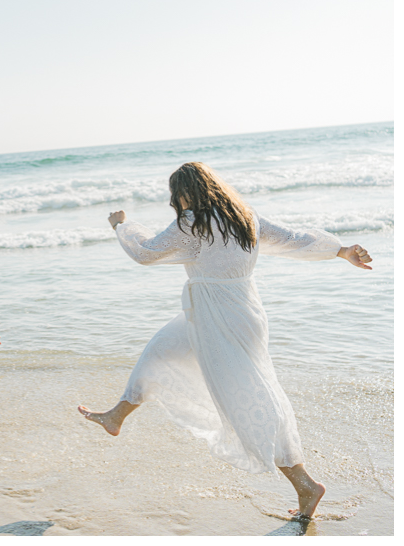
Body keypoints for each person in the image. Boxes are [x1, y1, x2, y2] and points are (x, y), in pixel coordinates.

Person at [77, 162, 372, 521]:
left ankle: (306, 484)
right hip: (235, 311)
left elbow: (146, 252)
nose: (177, 201)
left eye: (177, 194)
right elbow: (294, 239)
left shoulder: (192, 221)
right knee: (159, 353)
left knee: (251, 399)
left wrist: (122, 225)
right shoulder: (244, 216)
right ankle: (116, 415)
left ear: (186, 192)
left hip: (218, 317)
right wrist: (340, 250)